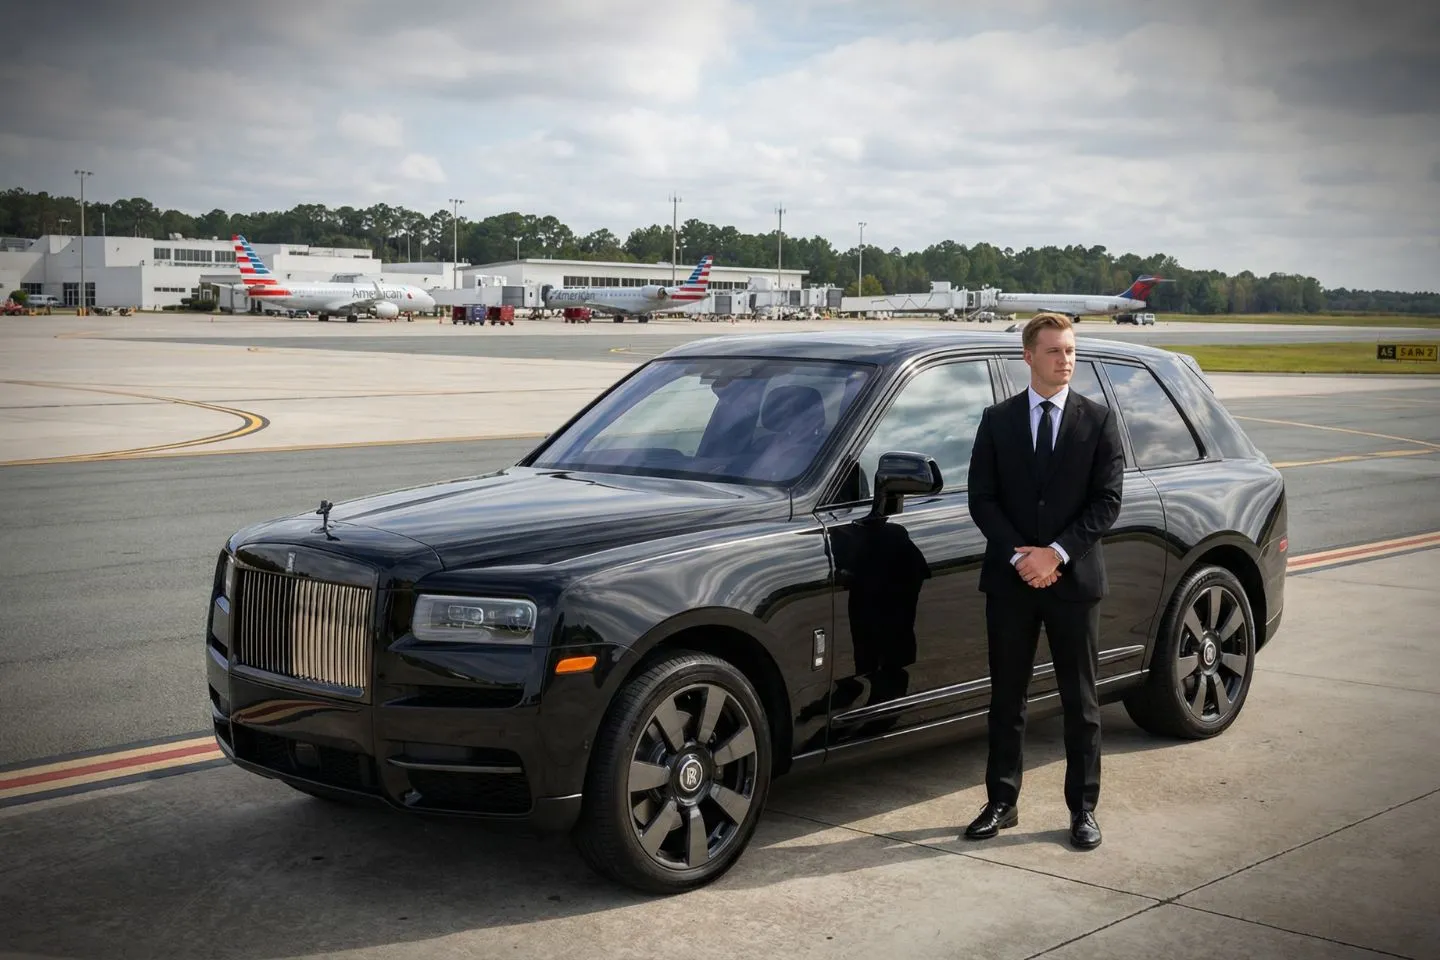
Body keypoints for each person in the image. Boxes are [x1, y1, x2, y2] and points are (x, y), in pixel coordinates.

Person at [963, 312, 1124, 850]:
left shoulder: (1097, 421)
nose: (1066, 359)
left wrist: (1054, 555)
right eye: (1055, 351)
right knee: (1007, 700)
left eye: (1071, 350)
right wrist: (1020, 557)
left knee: (1080, 702)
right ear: (1028, 356)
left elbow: (1107, 503)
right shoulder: (997, 419)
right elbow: (981, 499)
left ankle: (1083, 809)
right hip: (1010, 583)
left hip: (1073, 582)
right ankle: (1001, 802)